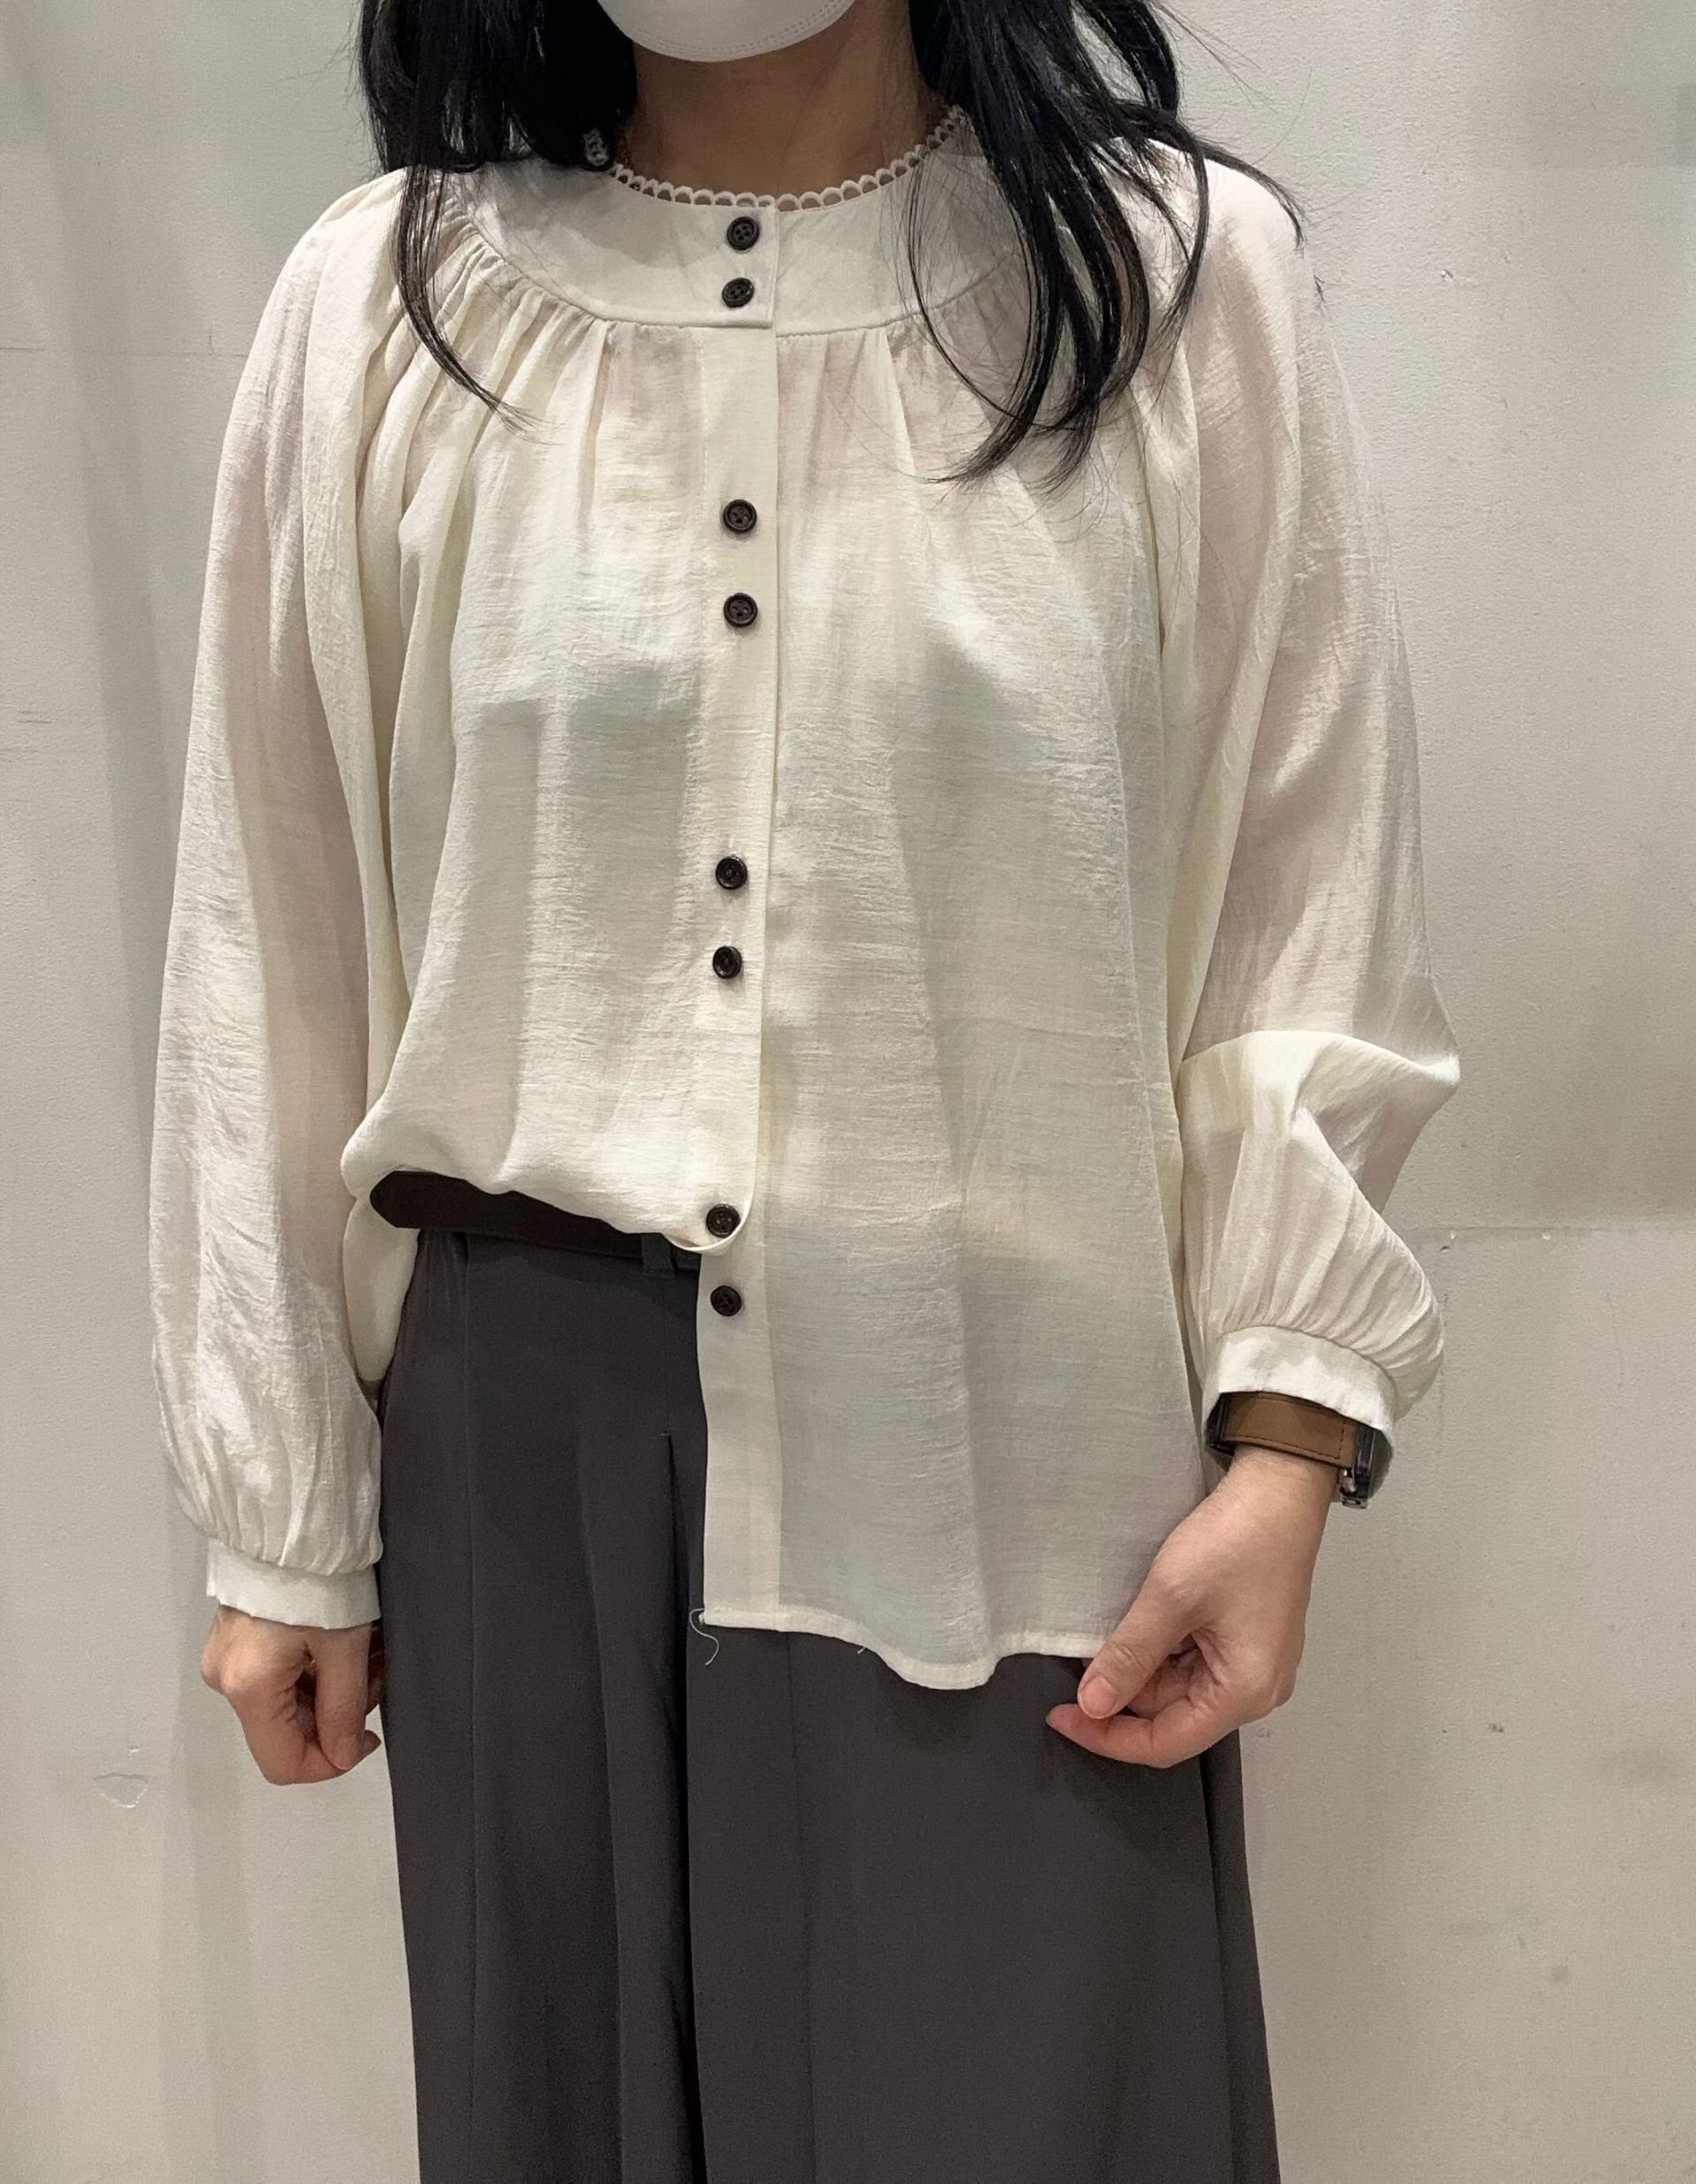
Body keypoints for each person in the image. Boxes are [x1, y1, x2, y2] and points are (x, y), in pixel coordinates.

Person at [147, 1, 1461, 2177]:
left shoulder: (1170, 286)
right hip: (525, 1463)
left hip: (1007, 1444)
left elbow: (1302, 899)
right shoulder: (391, 304)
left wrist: (1292, 1440)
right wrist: (282, 1513)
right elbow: (269, 939)